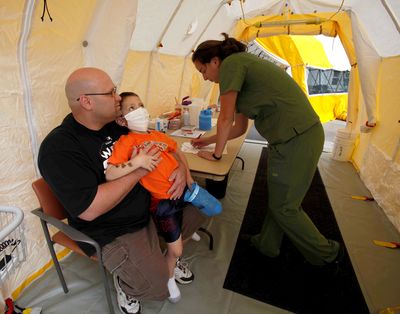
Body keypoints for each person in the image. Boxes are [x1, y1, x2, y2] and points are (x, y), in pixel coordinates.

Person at [38, 67, 207, 314]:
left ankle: (161, 255)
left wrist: (182, 170)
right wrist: (139, 171)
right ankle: (127, 282)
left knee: (199, 210)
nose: (119, 98)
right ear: (86, 101)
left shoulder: (115, 126)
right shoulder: (60, 148)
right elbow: (89, 210)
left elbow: (165, 146)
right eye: (111, 92)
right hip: (111, 228)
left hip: (149, 206)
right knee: (157, 287)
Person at [190, 33, 343, 268]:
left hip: (298, 138)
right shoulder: (240, 71)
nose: (205, 78)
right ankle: (267, 244)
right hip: (291, 139)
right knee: (281, 199)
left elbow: (225, 118)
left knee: (285, 207)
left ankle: (327, 254)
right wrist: (208, 141)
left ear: (215, 61)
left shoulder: (232, 64)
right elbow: (238, 127)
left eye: (203, 70)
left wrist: (217, 154)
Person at [105, 91, 221, 303]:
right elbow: (110, 173)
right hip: (164, 203)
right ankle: (169, 275)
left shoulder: (157, 136)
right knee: (175, 250)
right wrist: (137, 163)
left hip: (183, 189)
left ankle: (185, 236)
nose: (140, 110)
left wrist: (183, 173)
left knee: (213, 208)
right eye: (132, 108)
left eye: (140, 105)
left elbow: (178, 151)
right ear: (122, 119)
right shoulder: (127, 142)